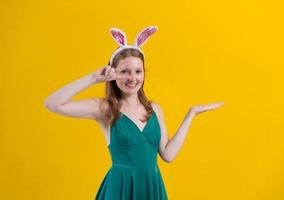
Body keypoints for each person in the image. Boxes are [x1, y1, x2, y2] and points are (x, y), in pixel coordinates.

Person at [44, 26, 224, 200]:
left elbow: (168, 155)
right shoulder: (105, 108)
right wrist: (93, 78)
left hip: (151, 186)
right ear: (113, 74)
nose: (133, 78)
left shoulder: (154, 109)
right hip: (119, 188)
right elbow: (52, 103)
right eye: (124, 71)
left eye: (138, 71)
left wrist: (190, 115)